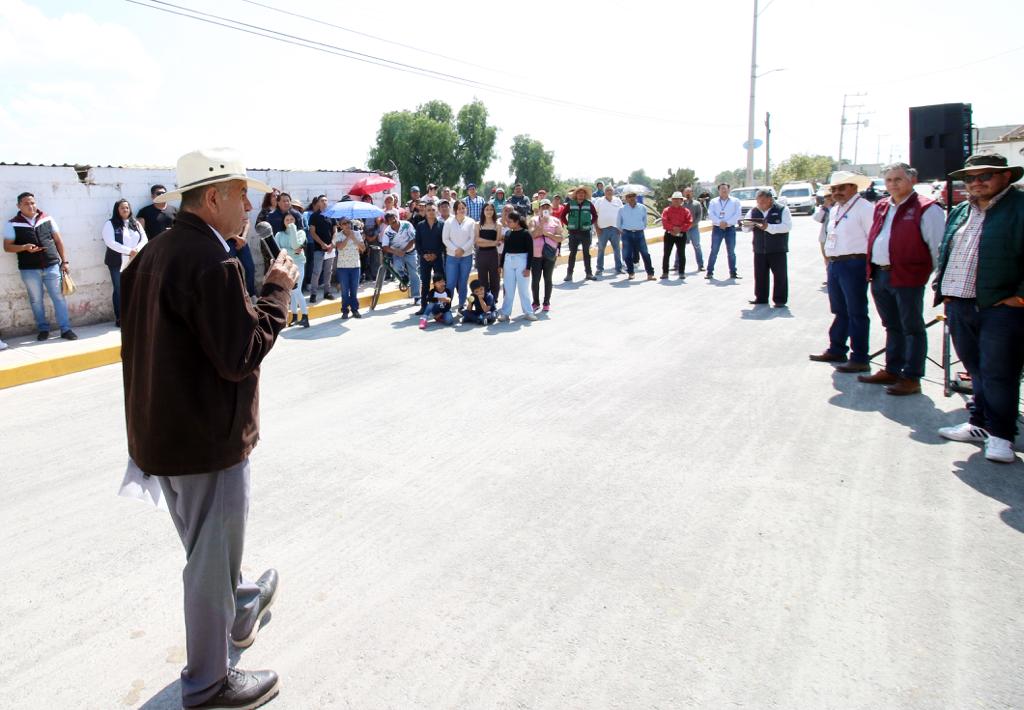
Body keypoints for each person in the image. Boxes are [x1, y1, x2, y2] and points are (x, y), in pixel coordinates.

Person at [120, 147, 298, 710]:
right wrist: (275, 290)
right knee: (205, 562)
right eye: (242, 195)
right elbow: (240, 353)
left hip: (162, 437)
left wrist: (237, 270)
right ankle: (208, 684)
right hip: (206, 445)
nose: (249, 205)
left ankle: (242, 601)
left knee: (210, 549)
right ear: (214, 197)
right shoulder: (211, 263)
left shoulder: (158, 253)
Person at [933, 154, 1024, 463]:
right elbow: (947, 251)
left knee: (1000, 373)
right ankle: (979, 423)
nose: (975, 183)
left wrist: (1020, 297)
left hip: (1000, 307)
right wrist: (942, 289)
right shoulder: (960, 210)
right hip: (960, 303)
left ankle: (1001, 435)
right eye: (970, 178)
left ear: (1006, 176)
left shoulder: (1019, 207)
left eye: (984, 176)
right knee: (976, 370)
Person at [859, 162, 945, 395]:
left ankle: (912, 376)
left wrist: (941, 280)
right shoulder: (882, 206)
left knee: (912, 327)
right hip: (880, 274)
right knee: (892, 326)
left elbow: (938, 248)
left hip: (907, 277)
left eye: (898, 179)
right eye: (888, 180)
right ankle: (892, 369)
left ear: (912, 180)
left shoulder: (927, 208)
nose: (892, 184)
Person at [808, 171, 875, 372]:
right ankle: (837, 348)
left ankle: (860, 357)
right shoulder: (836, 208)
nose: (837, 192)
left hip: (854, 263)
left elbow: (872, 238)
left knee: (857, 312)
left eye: (841, 188)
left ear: (853, 187)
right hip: (836, 264)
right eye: (834, 189)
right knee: (839, 310)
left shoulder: (864, 208)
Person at [3, 192, 77, 340]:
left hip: (51, 265)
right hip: (29, 269)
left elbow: (58, 241)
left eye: (32, 203)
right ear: (19, 206)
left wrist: (65, 261)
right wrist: (24, 247)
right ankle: (43, 329)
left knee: (59, 297)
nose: (31, 206)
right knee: (36, 300)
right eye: (26, 204)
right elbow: (7, 247)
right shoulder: (12, 223)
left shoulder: (47, 219)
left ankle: (65, 329)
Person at [102, 199, 147, 327]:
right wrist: (129, 251)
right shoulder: (110, 224)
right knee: (119, 289)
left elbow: (144, 238)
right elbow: (110, 242)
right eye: (122, 208)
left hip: (135, 261)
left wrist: (137, 250)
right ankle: (120, 317)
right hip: (117, 262)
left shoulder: (135, 223)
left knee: (135, 288)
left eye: (127, 207)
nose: (125, 210)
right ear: (117, 210)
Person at [497, 211, 538, 322]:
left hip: (522, 261)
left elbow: (530, 251)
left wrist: (528, 268)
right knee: (508, 289)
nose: (508, 223)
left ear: (517, 221)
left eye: (510, 221)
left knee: (523, 289)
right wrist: (500, 265)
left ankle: (528, 312)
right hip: (508, 261)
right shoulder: (508, 233)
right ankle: (505, 313)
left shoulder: (526, 233)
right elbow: (505, 250)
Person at [273, 213, 309, 327]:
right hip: (286, 265)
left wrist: (293, 229)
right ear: (283, 221)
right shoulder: (279, 234)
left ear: (296, 220)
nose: (289, 222)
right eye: (287, 219)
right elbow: (278, 251)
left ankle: (305, 317)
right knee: (291, 292)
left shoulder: (301, 233)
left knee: (297, 290)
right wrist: (293, 251)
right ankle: (294, 317)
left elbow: (294, 245)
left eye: (292, 219)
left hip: (298, 264)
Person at [530, 198, 564, 312]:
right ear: (539, 209)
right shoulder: (533, 220)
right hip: (536, 254)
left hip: (550, 254)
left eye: (547, 207)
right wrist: (541, 225)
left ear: (551, 209)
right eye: (542, 207)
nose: (545, 209)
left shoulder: (556, 221)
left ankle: (546, 302)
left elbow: (561, 238)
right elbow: (532, 235)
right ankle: (535, 302)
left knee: (548, 279)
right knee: (535, 279)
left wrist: (548, 234)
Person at [381, 210, 421, 306]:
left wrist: (404, 250)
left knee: (414, 273)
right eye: (391, 220)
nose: (393, 220)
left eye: (394, 218)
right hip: (397, 252)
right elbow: (385, 247)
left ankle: (417, 297)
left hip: (410, 251)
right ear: (387, 222)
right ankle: (404, 276)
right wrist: (396, 252)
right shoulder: (387, 232)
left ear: (397, 217)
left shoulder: (407, 224)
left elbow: (413, 239)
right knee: (396, 267)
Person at [442, 199, 476, 310]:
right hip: (452, 257)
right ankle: (447, 305)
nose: (461, 210)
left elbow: (472, 238)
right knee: (450, 283)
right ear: (455, 210)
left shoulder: (471, 222)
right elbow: (445, 239)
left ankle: (462, 305)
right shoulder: (448, 222)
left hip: (466, 257)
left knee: (463, 282)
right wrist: (456, 249)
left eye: (463, 208)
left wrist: (463, 249)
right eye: (459, 208)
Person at [562, 186, 599, 282]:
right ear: (576, 195)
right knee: (572, 254)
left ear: (585, 195)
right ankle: (569, 275)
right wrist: (568, 224)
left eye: (583, 193)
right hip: (573, 233)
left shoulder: (589, 204)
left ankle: (589, 274)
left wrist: (590, 223)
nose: (581, 194)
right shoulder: (570, 204)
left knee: (586, 253)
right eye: (579, 193)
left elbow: (595, 216)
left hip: (585, 232)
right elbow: (562, 216)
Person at [414, 202, 445, 315]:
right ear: (425, 212)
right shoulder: (420, 225)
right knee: (425, 283)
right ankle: (423, 306)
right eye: (428, 210)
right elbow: (417, 243)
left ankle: (441, 306)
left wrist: (436, 254)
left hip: (437, 258)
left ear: (436, 210)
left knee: (439, 283)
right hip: (424, 258)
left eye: (433, 210)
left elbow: (444, 243)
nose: (431, 212)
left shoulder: (442, 225)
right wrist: (423, 255)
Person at [705, 183, 742, 280]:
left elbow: (737, 214)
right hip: (717, 228)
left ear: (729, 190)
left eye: (725, 189)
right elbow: (710, 213)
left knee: (731, 252)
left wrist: (727, 222)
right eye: (721, 189)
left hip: (730, 228)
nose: (724, 190)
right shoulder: (713, 201)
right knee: (714, 250)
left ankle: (733, 272)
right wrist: (719, 222)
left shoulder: (735, 201)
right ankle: (709, 272)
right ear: (718, 191)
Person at [617, 191, 656, 281]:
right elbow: (618, 223)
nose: (631, 198)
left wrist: (640, 228)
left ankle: (650, 274)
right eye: (629, 196)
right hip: (627, 234)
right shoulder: (622, 209)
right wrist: (623, 231)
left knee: (645, 254)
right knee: (627, 254)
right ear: (626, 198)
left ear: (636, 197)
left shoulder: (642, 208)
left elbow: (645, 221)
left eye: (633, 196)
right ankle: (631, 273)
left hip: (639, 233)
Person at [334, 217, 365, 319]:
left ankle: (355, 309)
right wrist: (348, 237)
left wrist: (354, 238)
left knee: (354, 289)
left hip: (355, 265)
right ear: (340, 225)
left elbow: (363, 248)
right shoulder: (338, 235)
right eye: (344, 223)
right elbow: (340, 247)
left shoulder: (356, 234)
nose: (347, 224)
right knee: (344, 290)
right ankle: (345, 310)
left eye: (349, 222)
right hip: (343, 267)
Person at [307, 194, 336, 303]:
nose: (324, 202)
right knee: (317, 272)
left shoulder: (331, 216)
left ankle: (327, 292)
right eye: (322, 200)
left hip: (330, 249)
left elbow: (335, 231)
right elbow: (312, 232)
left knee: (328, 271)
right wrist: (322, 244)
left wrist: (332, 243)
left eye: (326, 200)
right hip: (319, 249)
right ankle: (313, 294)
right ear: (318, 203)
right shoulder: (314, 216)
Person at [661, 191, 694, 280]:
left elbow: (689, 222)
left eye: (678, 199)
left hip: (681, 234)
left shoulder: (686, 211)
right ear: (671, 200)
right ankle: (665, 272)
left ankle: (681, 272)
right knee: (666, 253)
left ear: (681, 200)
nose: (676, 201)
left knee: (681, 253)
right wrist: (672, 228)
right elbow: (664, 221)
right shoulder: (666, 210)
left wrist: (680, 229)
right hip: (669, 234)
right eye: (674, 199)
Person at [475, 202, 502, 300]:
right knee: (482, 279)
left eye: (491, 209)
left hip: (493, 255)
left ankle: (494, 299)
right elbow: (477, 241)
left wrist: (486, 242)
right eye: (487, 209)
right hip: (481, 254)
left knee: (495, 278)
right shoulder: (478, 224)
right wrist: (492, 242)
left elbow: (498, 242)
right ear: (483, 211)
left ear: (494, 211)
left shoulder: (498, 225)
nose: (489, 211)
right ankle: (484, 299)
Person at [595, 186, 623, 276]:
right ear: (604, 192)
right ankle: (599, 269)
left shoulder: (618, 201)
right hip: (602, 229)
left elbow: (622, 214)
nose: (609, 192)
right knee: (601, 249)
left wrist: (620, 227)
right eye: (607, 190)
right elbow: (594, 215)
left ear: (613, 192)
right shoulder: (599, 201)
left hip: (615, 229)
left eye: (611, 190)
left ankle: (619, 268)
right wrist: (597, 228)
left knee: (617, 249)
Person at [226, 221, 257, 299]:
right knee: (230, 269)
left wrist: (243, 238)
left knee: (250, 267)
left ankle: (251, 294)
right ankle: (232, 297)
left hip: (242, 241)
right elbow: (219, 227)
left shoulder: (241, 208)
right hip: (228, 241)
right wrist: (237, 238)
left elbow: (247, 222)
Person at [681, 186, 705, 272]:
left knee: (697, 246)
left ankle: (701, 265)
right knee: (680, 247)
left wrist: (692, 225)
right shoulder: (680, 204)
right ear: (683, 193)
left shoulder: (697, 204)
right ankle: (676, 265)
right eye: (686, 192)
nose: (687, 194)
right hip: (683, 229)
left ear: (692, 193)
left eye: (689, 192)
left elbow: (699, 217)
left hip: (693, 228)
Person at [813, 193, 834, 284]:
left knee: (832, 257)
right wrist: (824, 207)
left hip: (833, 236)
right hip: (824, 236)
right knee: (826, 257)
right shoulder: (824, 208)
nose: (828, 199)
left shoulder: (838, 207)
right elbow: (817, 218)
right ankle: (829, 276)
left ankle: (833, 276)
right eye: (826, 198)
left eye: (829, 197)